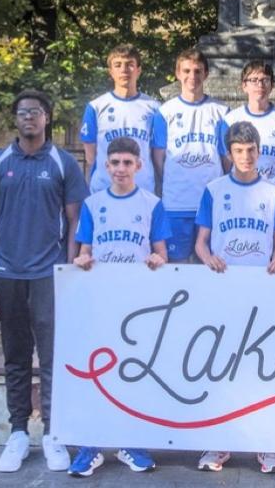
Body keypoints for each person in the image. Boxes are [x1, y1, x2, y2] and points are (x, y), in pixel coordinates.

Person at [0, 89, 87, 473]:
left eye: (35, 112)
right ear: (16, 119)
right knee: (16, 358)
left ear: (47, 118)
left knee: (54, 359)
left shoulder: (63, 163)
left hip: (48, 276)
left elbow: (75, 221)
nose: (28, 118)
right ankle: (19, 433)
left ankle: (54, 434)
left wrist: (69, 268)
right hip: (8, 275)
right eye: (22, 112)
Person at [68, 136, 170, 476]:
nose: (121, 169)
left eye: (128, 162)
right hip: (101, 300)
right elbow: (82, 251)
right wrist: (82, 260)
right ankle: (91, 445)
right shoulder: (93, 204)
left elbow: (161, 253)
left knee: (131, 372)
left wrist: (157, 259)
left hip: (136, 302)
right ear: (106, 166)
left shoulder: (152, 203)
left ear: (139, 166)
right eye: (115, 163)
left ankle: (129, 442)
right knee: (97, 373)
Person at [193, 121, 275, 475]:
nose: (245, 156)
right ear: (229, 153)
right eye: (238, 151)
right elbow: (201, 242)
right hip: (224, 289)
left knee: (263, 368)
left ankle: (266, 444)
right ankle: (219, 442)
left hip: (262, 290)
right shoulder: (214, 190)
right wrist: (207, 259)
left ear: (259, 151)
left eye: (251, 150)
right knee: (221, 367)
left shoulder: (273, 192)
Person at [151, 48, 228, 262]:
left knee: (213, 266)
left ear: (206, 74)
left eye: (197, 71)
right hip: (176, 203)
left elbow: (226, 158)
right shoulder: (165, 112)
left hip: (210, 204)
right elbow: (159, 158)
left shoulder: (221, 111)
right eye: (186, 71)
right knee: (176, 267)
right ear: (177, 73)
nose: (192, 76)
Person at [80, 43, 160, 195]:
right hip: (104, 190)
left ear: (139, 70)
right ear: (111, 71)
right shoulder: (96, 107)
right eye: (118, 65)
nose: (124, 70)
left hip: (142, 191)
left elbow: (158, 154)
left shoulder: (154, 108)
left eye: (130, 64)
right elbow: (91, 156)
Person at [217, 60, 275, 191]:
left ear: (272, 85)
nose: (260, 85)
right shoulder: (230, 120)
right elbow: (226, 164)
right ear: (244, 86)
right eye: (254, 80)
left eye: (265, 80)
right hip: (243, 196)